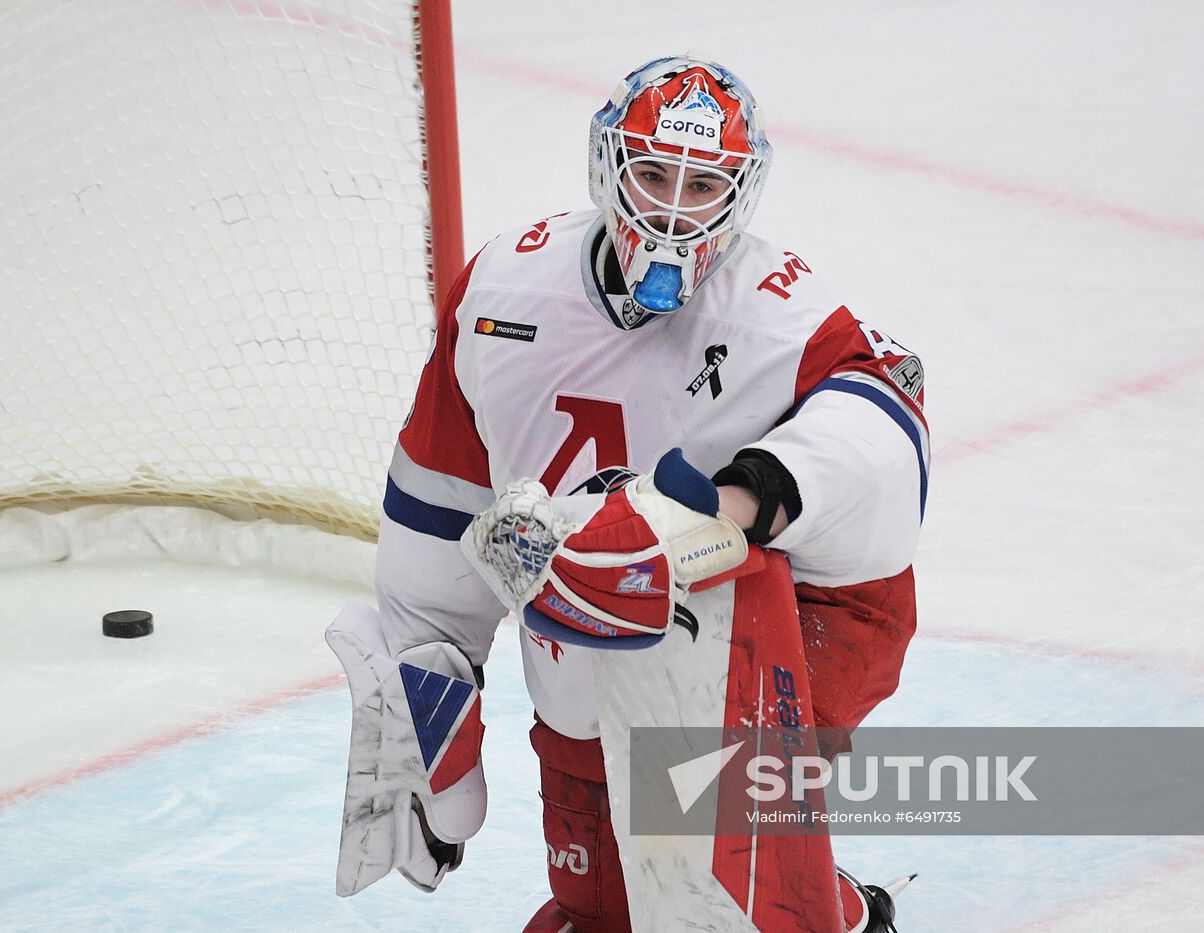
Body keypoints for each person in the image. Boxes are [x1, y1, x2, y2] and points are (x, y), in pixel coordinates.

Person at [325, 53, 927, 932]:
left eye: (703, 185)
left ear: (741, 191)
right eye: (652, 173)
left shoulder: (780, 310)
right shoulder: (502, 288)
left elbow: (886, 435)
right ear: (608, 165)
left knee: (704, 867)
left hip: (798, 610)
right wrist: (432, 688)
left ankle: (818, 912)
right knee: (600, 905)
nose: (674, 210)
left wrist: (726, 511)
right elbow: (442, 511)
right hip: (582, 626)